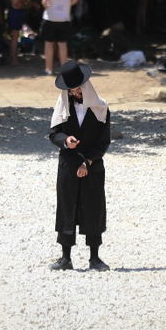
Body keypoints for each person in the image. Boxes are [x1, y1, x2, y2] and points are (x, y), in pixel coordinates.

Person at [48, 61, 111, 271]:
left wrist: (88, 162)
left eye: (77, 88)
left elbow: (104, 141)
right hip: (68, 164)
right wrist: (66, 141)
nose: (75, 93)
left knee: (93, 208)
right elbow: (54, 134)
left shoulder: (101, 108)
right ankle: (65, 258)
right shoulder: (62, 106)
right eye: (71, 90)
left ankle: (95, 257)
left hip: (92, 166)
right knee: (67, 207)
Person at [39, 0, 79, 77]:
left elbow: (44, 2)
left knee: (49, 44)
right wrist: (67, 5)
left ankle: (49, 69)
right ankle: (64, 70)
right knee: (62, 45)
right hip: (64, 19)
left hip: (50, 18)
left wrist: (48, 6)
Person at [6, 0, 31, 66]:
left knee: (15, 36)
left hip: (15, 11)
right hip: (15, 12)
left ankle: (13, 58)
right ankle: (13, 59)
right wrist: (31, 3)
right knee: (15, 36)